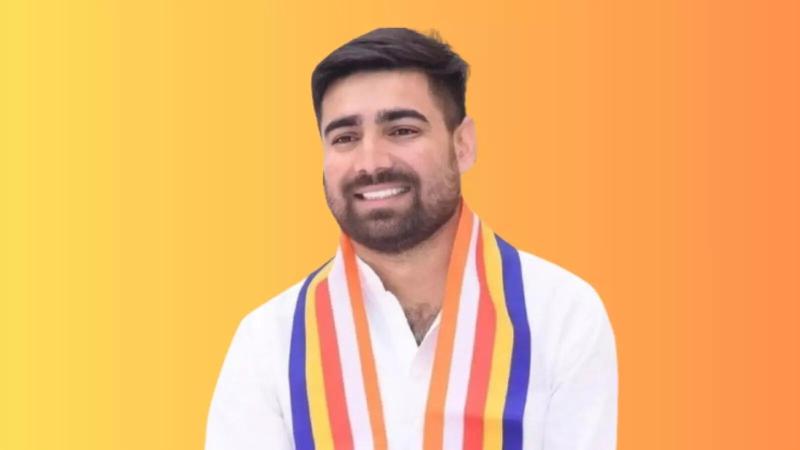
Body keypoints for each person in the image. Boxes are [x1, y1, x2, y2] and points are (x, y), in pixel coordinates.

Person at [206, 27, 617, 450]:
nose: (371, 163)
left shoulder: (560, 315)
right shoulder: (269, 342)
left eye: (402, 130)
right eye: (345, 138)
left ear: (463, 145)